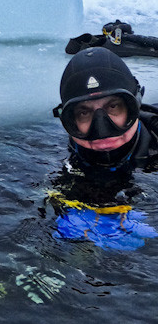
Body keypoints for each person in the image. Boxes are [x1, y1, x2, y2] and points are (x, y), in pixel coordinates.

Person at [49, 47, 158, 248]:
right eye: (83, 113)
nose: (101, 129)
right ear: (69, 121)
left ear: (135, 104)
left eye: (114, 106)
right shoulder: (58, 158)